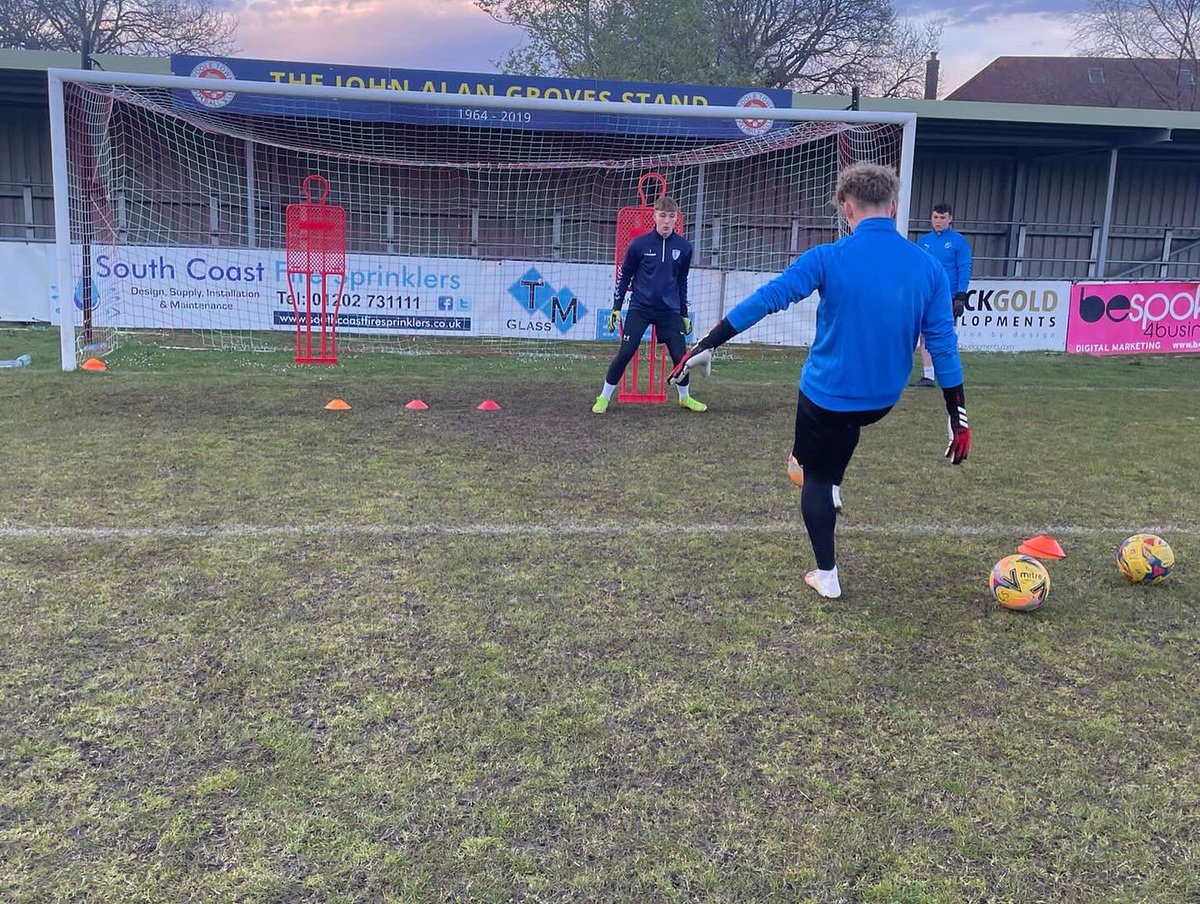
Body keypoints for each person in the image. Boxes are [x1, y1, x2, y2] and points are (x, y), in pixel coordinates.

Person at [669, 163, 970, 600]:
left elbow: (769, 298)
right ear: (894, 207)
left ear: (847, 209)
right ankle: (828, 481)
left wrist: (709, 342)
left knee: (812, 472)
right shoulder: (928, 268)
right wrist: (956, 416)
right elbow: (942, 342)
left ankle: (826, 572)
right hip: (882, 399)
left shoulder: (829, 256)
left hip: (827, 395)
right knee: (842, 433)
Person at [592, 195, 706, 414]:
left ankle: (685, 398)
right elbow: (624, 276)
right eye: (662, 216)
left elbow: (681, 281)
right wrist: (616, 308)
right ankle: (604, 397)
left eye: (671, 217)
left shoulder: (684, 248)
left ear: (676, 220)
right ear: (654, 216)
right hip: (640, 308)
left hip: (669, 310)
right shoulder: (639, 244)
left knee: (680, 356)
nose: (666, 221)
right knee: (625, 352)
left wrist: (683, 313)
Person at [913, 201, 972, 386]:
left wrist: (961, 295)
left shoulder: (958, 241)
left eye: (942, 218)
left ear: (950, 219)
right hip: (927, 295)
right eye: (936, 217)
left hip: (948, 296)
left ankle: (950, 375)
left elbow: (964, 268)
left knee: (947, 335)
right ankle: (928, 375)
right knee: (924, 335)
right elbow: (918, 270)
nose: (938, 221)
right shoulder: (923, 242)